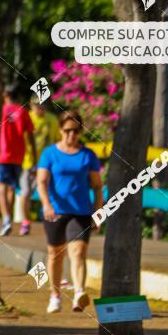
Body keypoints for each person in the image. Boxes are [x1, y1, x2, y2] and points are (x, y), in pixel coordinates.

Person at [36, 110, 103, 313]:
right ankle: (55, 296)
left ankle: (78, 294)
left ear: (80, 131)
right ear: (60, 130)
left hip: (81, 212)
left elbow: (97, 186)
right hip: (55, 212)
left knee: (78, 251)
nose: (70, 135)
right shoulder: (50, 153)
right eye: (66, 131)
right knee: (55, 254)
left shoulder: (88, 155)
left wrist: (98, 212)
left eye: (75, 131)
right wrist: (47, 204)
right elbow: (41, 181)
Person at [0, 83, 36, 237]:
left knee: (1, 188)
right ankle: (9, 220)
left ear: (5, 95)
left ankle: (6, 219)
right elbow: (30, 134)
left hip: (2, 155)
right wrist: (34, 153)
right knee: (12, 188)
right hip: (19, 156)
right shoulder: (23, 111)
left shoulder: (0, 110)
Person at [20, 95, 61, 231]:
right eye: (37, 105)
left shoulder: (53, 120)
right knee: (26, 192)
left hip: (48, 164)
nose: (40, 108)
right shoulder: (27, 117)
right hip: (29, 162)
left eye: (42, 105)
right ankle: (25, 222)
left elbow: (57, 141)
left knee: (51, 192)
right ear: (31, 105)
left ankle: (51, 220)